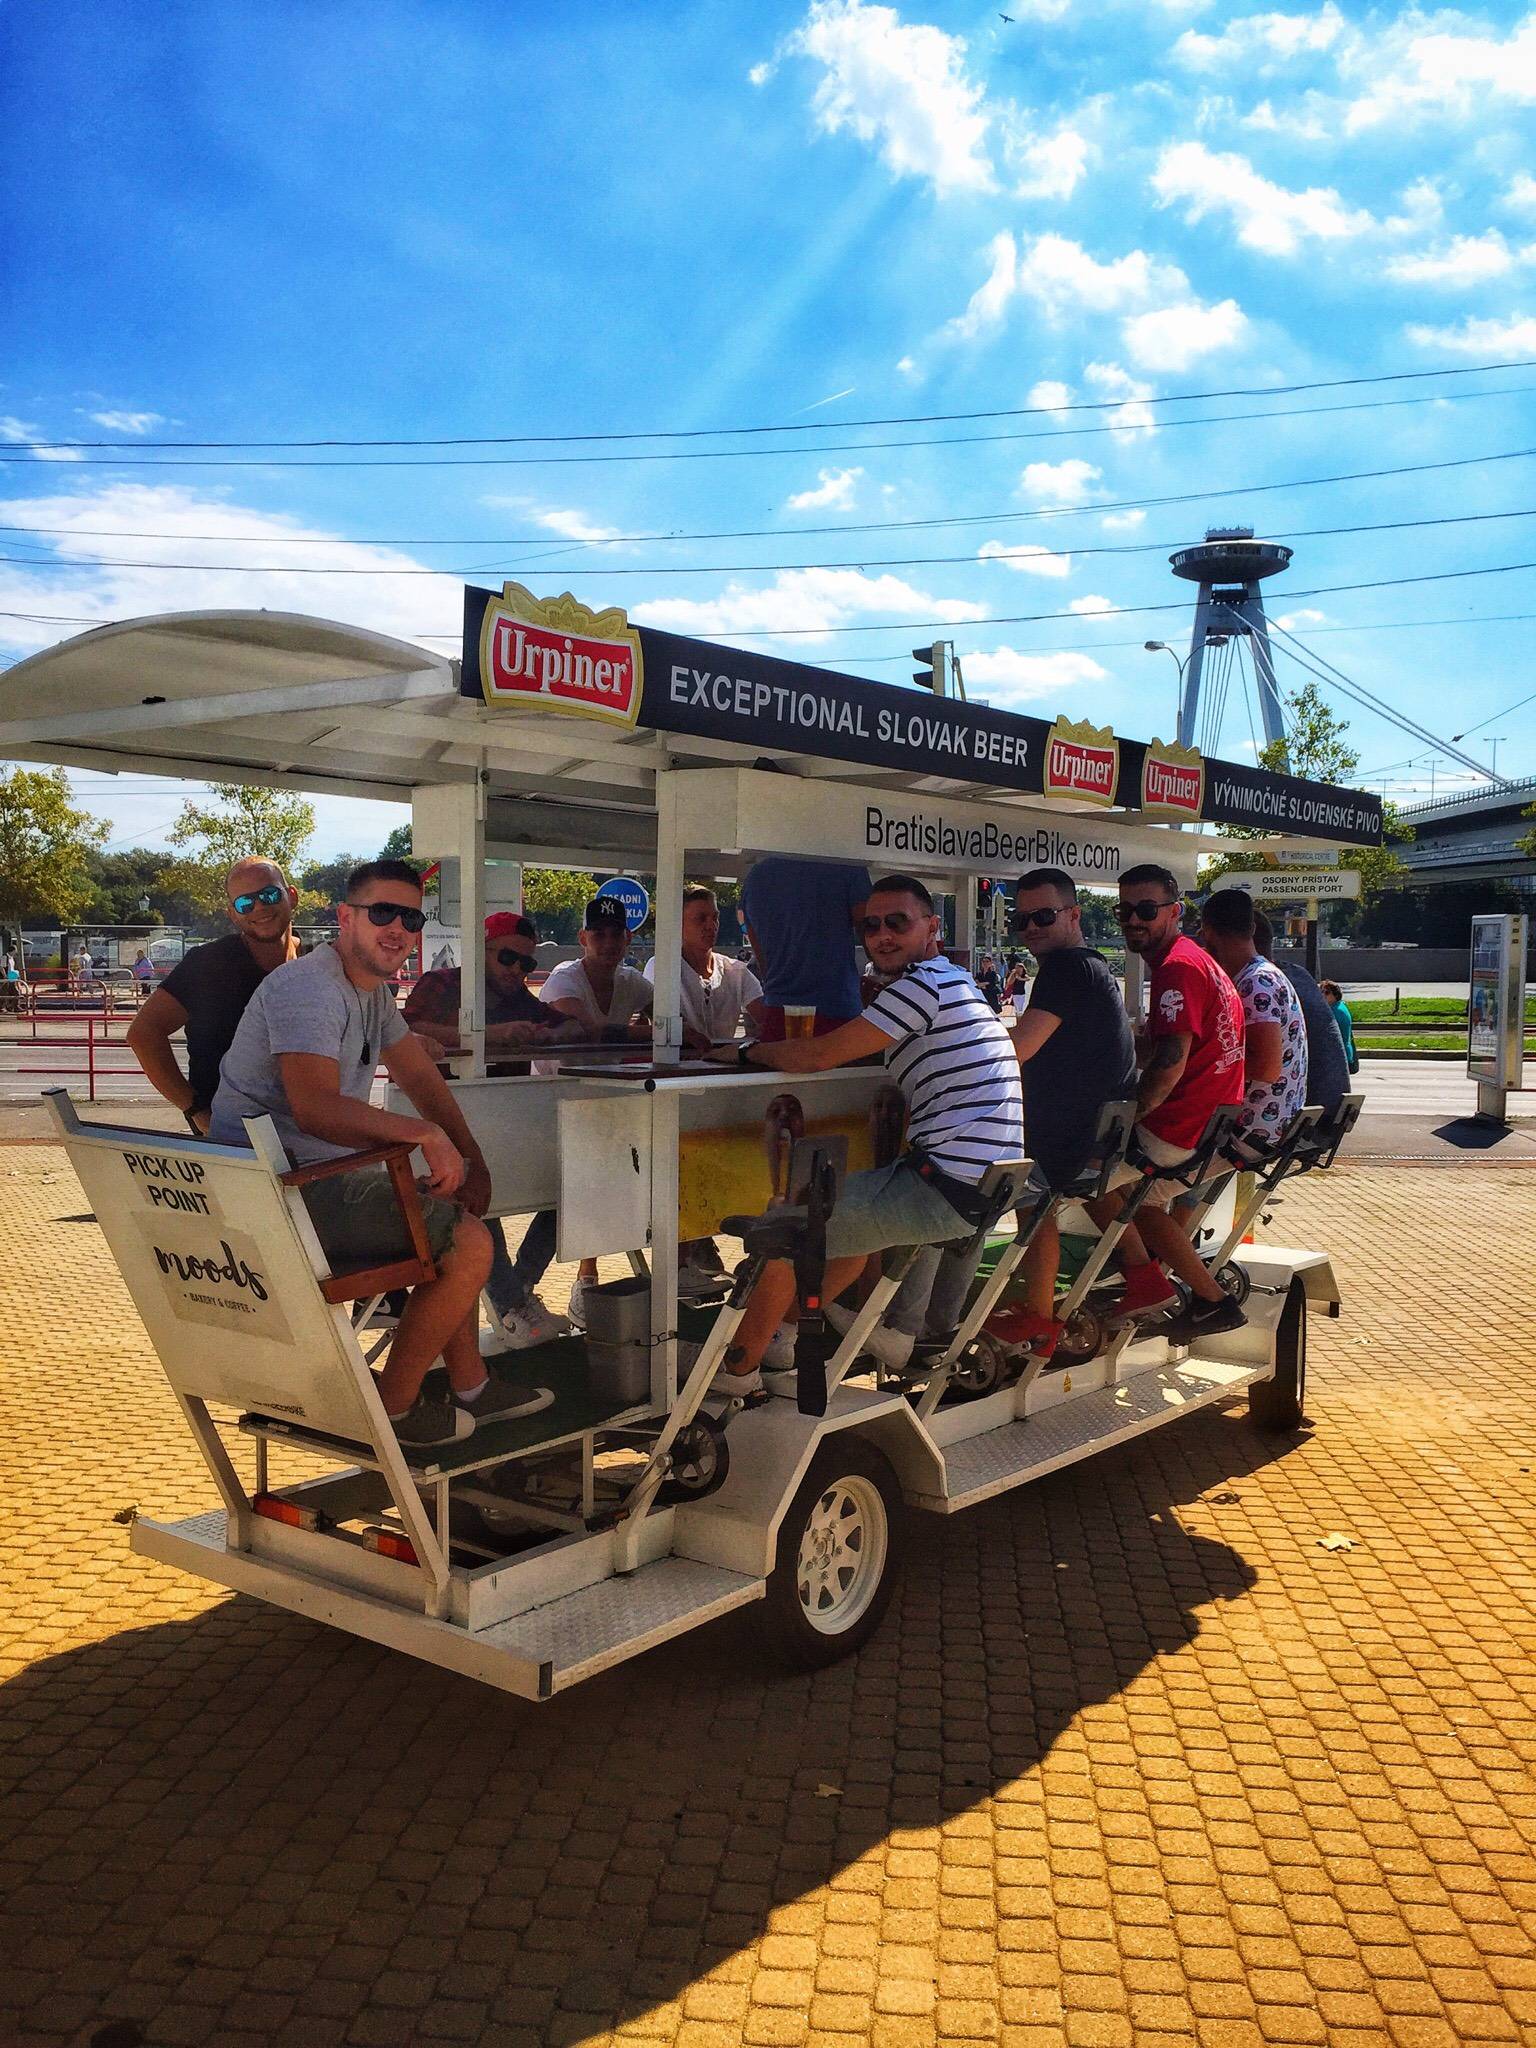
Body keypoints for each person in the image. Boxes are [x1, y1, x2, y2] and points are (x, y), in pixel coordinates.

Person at [210, 859, 549, 1446]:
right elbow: (315, 1106)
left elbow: (420, 1078)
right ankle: (391, 1412)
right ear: (346, 917)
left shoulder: (369, 992)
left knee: (454, 1216)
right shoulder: (309, 988)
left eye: (409, 916)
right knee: (468, 1243)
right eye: (382, 913)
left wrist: (472, 1158)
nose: (397, 928)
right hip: (272, 1193)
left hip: (303, 1178)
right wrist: (425, 1137)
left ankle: (471, 1385)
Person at [704, 874, 1024, 1397]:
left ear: (931, 928)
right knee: (846, 1228)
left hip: (948, 1181)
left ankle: (736, 1372)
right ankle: (781, 1339)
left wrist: (742, 1051)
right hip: (980, 1181)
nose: (882, 935)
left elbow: (817, 1056)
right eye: (870, 926)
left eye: (897, 922)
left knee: (789, 1228)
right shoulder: (954, 980)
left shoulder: (919, 988)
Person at [403, 911, 584, 1351]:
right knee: (483, 1205)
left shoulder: (520, 996)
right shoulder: (442, 983)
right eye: (508, 958)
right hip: (446, 1124)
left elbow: (568, 1025)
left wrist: (552, 1031)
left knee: (566, 1191)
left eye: (526, 963)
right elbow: (405, 1028)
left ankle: (513, 1299)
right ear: (481, 949)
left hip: (502, 1122)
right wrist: (490, 1034)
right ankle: (510, 1305)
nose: (516, 971)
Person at [1085, 864, 1248, 1345]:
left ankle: (1144, 1281)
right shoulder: (1196, 960)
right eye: (1125, 910)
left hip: (1178, 1124)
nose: (1134, 919)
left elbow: (1172, 1062)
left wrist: (1126, 1119)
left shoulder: (1176, 968)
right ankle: (1207, 1299)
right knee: (1146, 1203)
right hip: (1208, 1123)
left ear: (1174, 911)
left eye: (1146, 909)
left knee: (1070, 1177)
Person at [985, 868, 1137, 1360]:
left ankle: (1038, 1316)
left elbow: (1020, 1048)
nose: (1030, 927)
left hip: (1069, 1132)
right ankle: (1143, 1275)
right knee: (1064, 1184)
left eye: (1043, 916)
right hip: (1097, 1129)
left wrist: (955, 1054)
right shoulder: (1091, 967)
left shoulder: (1065, 968)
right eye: (1021, 918)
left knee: (1028, 1189)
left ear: (1074, 914)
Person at [524, 893, 654, 1328]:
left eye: (616, 933)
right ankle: (554, 1285)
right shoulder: (565, 976)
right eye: (599, 933)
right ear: (583, 937)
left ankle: (563, 1285)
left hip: (603, 1105)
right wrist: (652, 1036)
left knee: (594, 1188)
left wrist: (667, 1031)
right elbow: (591, 1030)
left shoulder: (633, 981)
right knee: (565, 1194)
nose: (607, 941)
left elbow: (670, 1020)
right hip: (551, 1105)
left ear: (628, 937)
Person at [646, 884, 765, 1299]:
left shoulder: (734, 970)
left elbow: (767, 1018)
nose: (711, 925)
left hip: (720, 1090)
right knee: (680, 1163)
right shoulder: (660, 968)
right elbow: (661, 1027)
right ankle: (686, 1256)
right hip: (677, 1090)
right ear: (676, 926)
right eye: (701, 918)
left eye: (714, 917)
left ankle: (709, 1243)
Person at [127, 860, 301, 1133]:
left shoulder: (316, 964)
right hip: (227, 1133)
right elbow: (144, 1033)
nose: (260, 907)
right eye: (245, 903)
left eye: (269, 894)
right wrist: (196, 1111)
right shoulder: (209, 964)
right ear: (233, 914)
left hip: (304, 1129)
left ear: (291, 896)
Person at [1199, 890, 1308, 1143]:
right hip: (1277, 1125)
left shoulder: (1255, 984)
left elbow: (1266, 1068)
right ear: (1252, 927)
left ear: (1207, 933)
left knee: (1139, 1167)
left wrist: (1200, 1063)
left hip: (1252, 1131)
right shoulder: (1268, 974)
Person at [740, 854, 870, 1040]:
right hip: (838, 1017)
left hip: (777, 1018)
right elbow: (874, 936)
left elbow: (762, 959)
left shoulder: (756, 875)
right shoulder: (847, 864)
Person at [1320, 978, 1360, 1077]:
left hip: (1338, 1057)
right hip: (1342, 1055)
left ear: (1335, 995)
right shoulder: (1339, 1006)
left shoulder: (1336, 1012)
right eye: (1321, 992)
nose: (1322, 995)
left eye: (1327, 992)